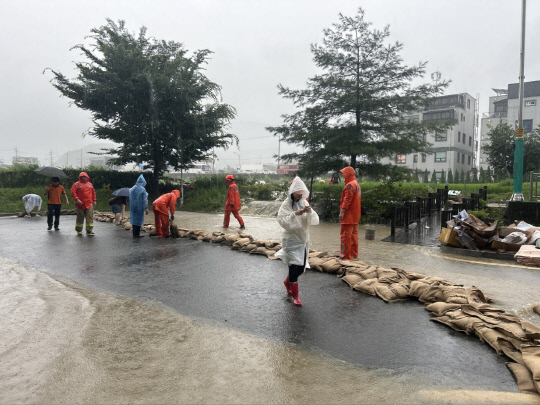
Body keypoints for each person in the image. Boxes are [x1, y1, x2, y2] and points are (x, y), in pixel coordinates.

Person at [275, 176, 319, 306]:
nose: (300, 196)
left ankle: (287, 282)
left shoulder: (304, 202)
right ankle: (295, 296)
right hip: (291, 240)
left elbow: (313, 220)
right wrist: (295, 214)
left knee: (301, 267)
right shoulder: (285, 205)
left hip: (303, 239)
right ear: (292, 192)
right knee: (294, 265)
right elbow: (282, 221)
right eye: (298, 194)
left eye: (302, 194)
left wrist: (309, 212)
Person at [339, 166, 362, 260]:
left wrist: (342, 212)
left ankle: (345, 255)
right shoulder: (357, 184)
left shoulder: (349, 185)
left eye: (344, 174)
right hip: (355, 215)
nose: (343, 176)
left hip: (348, 216)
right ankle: (354, 254)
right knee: (354, 236)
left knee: (345, 236)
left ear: (348, 174)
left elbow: (347, 200)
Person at [71, 171, 97, 236]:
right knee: (80, 217)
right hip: (80, 204)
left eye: (85, 177)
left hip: (89, 203)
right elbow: (73, 192)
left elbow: (93, 193)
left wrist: (94, 200)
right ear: (80, 177)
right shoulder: (76, 184)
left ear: (87, 177)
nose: (84, 178)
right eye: (82, 177)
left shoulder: (90, 184)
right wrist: (77, 199)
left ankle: (89, 230)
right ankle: (79, 230)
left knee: (90, 217)